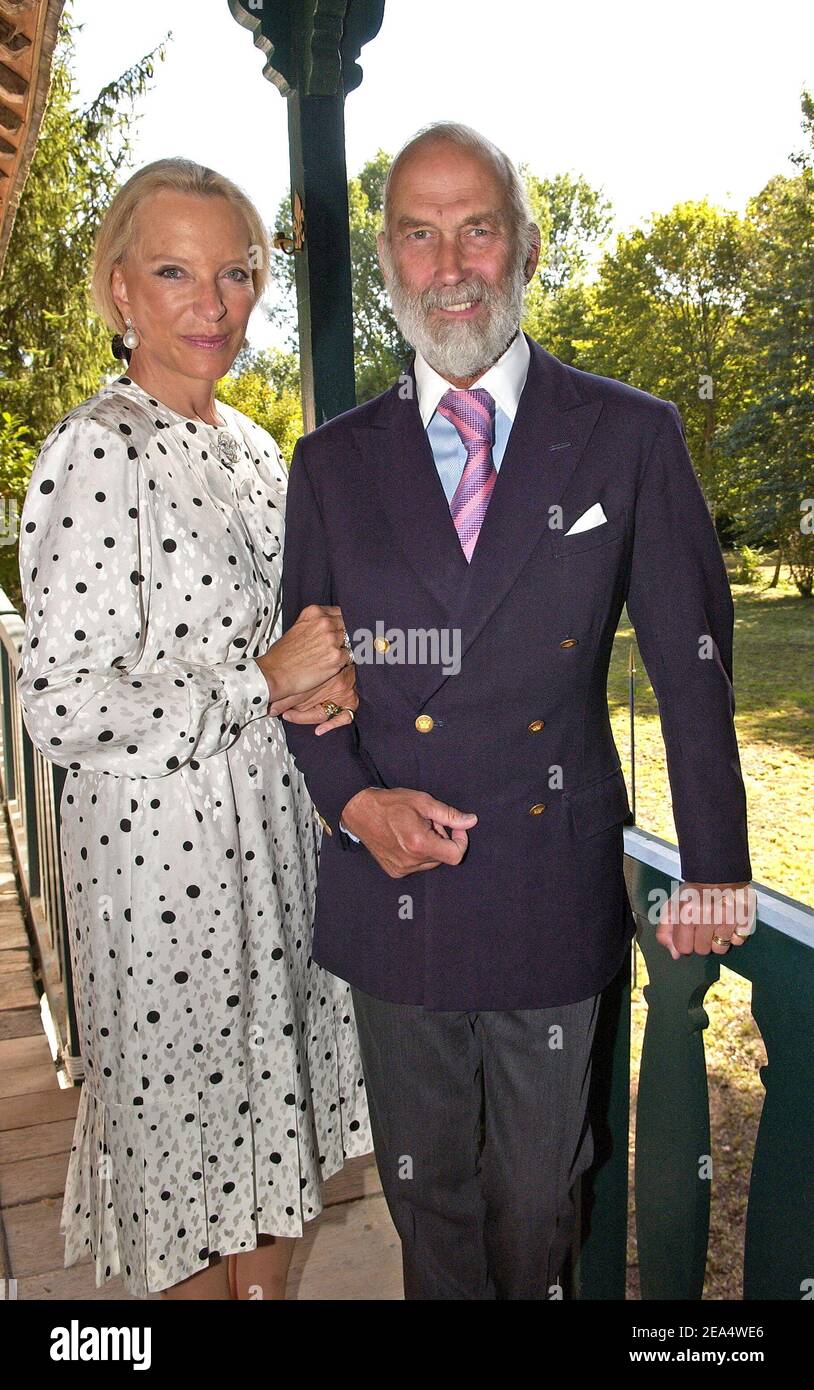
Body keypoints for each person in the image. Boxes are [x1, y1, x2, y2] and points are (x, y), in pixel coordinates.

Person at [280, 122, 753, 1300]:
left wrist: (716, 864)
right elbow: (306, 682)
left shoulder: (629, 433)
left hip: (549, 876)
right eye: (418, 234)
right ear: (387, 260)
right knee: (424, 1189)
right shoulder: (331, 462)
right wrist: (353, 806)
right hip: (396, 886)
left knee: (543, 1192)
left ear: (526, 247)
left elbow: (693, 662)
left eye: (475, 228)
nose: (449, 264)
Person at [17, 157, 372, 1300]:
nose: (212, 305)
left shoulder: (253, 450)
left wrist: (322, 682)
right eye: (175, 272)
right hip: (160, 875)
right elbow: (60, 702)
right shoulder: (95, 449)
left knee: (268, 1143)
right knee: (188, 1163)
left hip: (269, 849)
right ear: (119, 288)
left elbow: (275, 646)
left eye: (234, 273)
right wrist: (260, 684)